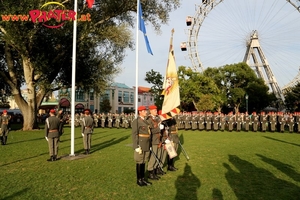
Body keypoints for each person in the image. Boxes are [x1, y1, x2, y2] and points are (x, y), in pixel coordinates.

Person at [132, 106, 152, 187]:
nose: (146, 112)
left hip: (146, 143)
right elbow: (134, 134)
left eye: (146, 111)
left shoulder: (145, 121)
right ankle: (139, 179)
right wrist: (136, 145)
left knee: (144, 161)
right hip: (140, 143)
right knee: (140, 161)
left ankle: (143, 179)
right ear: (140, 112)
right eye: (144, 111)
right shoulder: (136, 121)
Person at [146, 105, 163, 180]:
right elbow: (151, 131)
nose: (156, 111)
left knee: (158, 155)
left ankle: (155, 169)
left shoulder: (157, 118)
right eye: (155, 110)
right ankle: (150, 171)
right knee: (153, 156)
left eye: (156, 110)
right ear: (150, 111)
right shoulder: (149, 120)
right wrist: (159, 128)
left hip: (159, 139)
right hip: (153, 139)